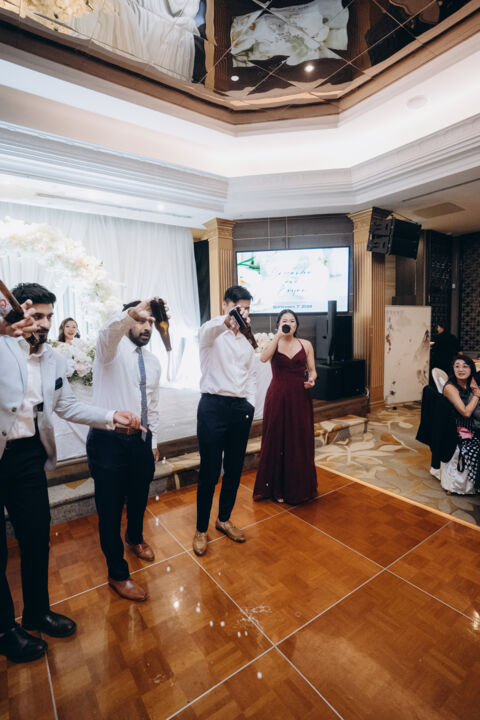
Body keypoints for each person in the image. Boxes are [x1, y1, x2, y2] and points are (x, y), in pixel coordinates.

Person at [0, 283, 141, 664]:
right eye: (37, 315)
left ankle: (37, 612)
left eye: (49, 316)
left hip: (28, 456)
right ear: (18, 312)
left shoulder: (53, 360)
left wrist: (111, 416)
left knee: (36, 538)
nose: (45, 324)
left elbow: (68, 406)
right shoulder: (2, 344)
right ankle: (4, 630)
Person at [86, 299, 163, 602]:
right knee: (110, 509)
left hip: (141, 439)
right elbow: (108, 332)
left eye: (151, 323)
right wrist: (130, 313)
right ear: (128, 319)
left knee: (140, 496)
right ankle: (117, 573)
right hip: (108, 441)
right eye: (141, 321)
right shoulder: (110, 351)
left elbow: (152, 405)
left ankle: (135, 537)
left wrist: (152, 442)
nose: (147, 328)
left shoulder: (153, 362)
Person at [193, 285, 256, 556]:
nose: (244, 313)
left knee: (234, 468)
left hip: (240, 409)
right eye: (239, 308)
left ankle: (223, 519)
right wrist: (227, 320)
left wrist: (251, 404)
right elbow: (207, 331)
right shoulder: (212, 333)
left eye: (247, 309)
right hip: (212, 407)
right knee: (209, 471)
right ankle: (200, 529)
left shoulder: (246, 340)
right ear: (225, 305)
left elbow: (251, 375)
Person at [253, 309, 318, 504]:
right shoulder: (274, 343)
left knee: (298, 439)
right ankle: (277, 488)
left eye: (292, 320)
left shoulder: (306, 344)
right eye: (284, 320)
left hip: (300, 396)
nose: (288, 323)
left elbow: (312, 371)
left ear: (297, 325)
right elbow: (263, 358)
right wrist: (277, 336)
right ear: (278, 324)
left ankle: (298, 487)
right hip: (278, 396)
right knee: (277, 438)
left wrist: (312, 380)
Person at [442, 355, 480, 493]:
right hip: (458, 429)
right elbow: (466, 413)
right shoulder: (450, 388)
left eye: (465, 366)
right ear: (452, 369)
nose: (460, 369)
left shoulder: (471, 383)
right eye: (457, 366)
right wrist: (477, 394)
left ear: (471, 369)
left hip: (473, 425)